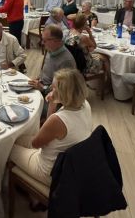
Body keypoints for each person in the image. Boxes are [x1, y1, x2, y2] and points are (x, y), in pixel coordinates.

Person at [9, 68, 92, 196]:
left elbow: (36, 144)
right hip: (71, 165)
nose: (50, 91)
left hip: (50, 172)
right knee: (18, 138)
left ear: (64, 93)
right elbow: (48, 133)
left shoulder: (59, 120)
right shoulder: (85, 105)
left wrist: (52, 104)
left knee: (8, 146)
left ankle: (10, 187)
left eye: (53, 88)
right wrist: (54, 101)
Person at [29, 25, 76, 96]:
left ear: (56, 41)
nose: (42, 43)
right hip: (42, 87)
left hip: (52, 96)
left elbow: (62, 90)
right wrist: (38, 79)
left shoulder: (66, 61)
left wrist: (43, 88)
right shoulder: (51, 50)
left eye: (44, 40)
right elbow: (45, 71)